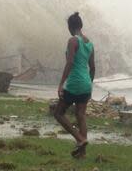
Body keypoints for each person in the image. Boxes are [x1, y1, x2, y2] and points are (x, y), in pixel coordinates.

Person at [53, 12, 95, 159]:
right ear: (81, 25)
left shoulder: (72, 41)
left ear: (70, 27)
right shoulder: (89, 43)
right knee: (81, 115)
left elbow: (70, 62)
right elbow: (93, 67)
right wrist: (89, 84)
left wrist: (60, 84)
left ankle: (80, 139)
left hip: (74, 82)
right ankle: (82, 153)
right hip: (86, 84)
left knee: (58, 113)